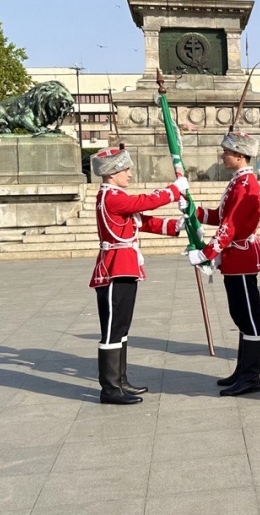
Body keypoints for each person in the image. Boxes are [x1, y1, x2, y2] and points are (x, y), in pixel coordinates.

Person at [88, 147, 188, 405]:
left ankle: (120, 380)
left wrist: (176, 224)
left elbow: (141, 220)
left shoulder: (118, 197)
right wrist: (174, 189)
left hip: (125, 267)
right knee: (112, 330)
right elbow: (143, 203)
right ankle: (110, 388)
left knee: (121, 328)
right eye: (125, 170)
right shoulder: (111, 197)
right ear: (112, 173)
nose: (130, 174)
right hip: (113, 269)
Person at [187, 132, 260, 397]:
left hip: (243, 256)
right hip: (235, 258)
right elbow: (221, 217)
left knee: (249, 318)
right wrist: (193, 210)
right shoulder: (238, 182)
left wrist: (207, 253)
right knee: (240, 316)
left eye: (226, 152)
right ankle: (242, 369)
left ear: (240, 156)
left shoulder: (246, 185)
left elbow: (230, 226)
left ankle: (251, 376)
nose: (223, 156)